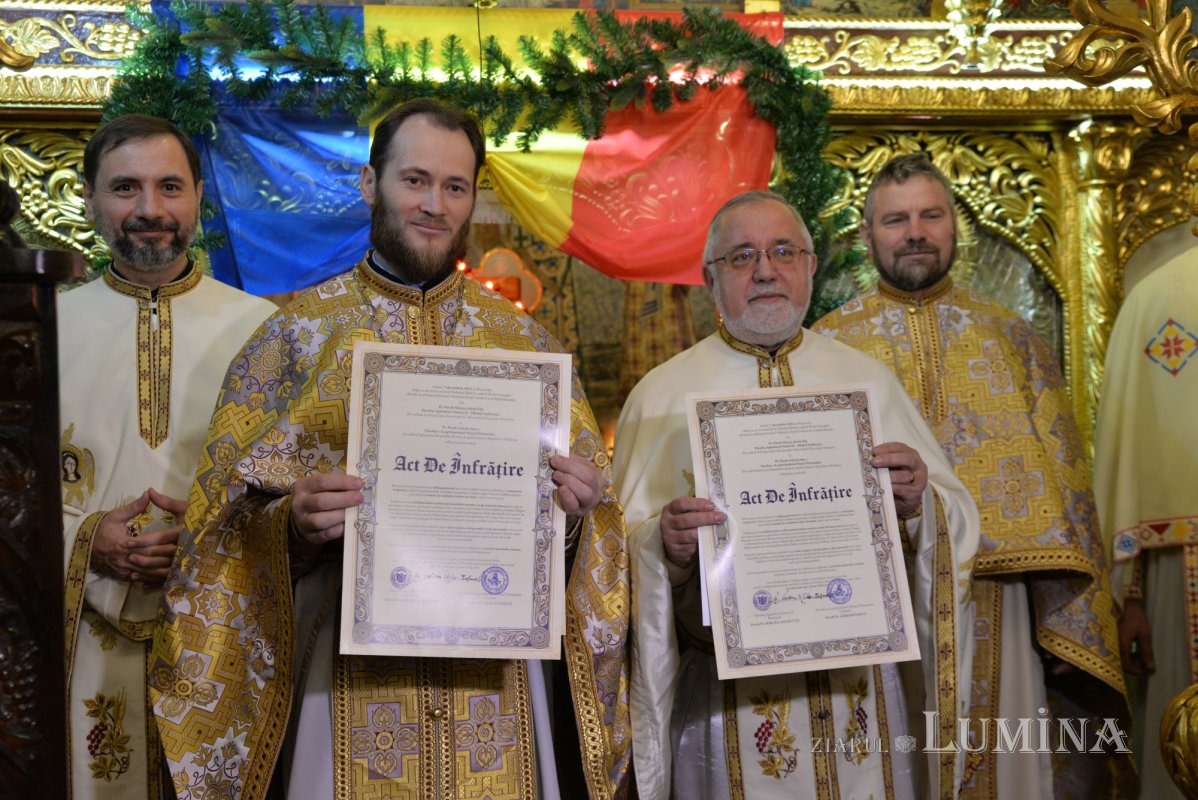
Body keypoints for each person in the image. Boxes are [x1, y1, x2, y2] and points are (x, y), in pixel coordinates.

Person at [150, 98, 632, 800]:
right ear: (371, 183)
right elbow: (214, 540)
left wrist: (580, 516)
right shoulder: (296, 339)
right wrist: (291, 526)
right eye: (414, 180)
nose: (434, 204)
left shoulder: (528, 348)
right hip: (344, 689)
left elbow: (596, 538)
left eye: (455, 186)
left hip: (496, 693)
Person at [614, 189, 980, 800]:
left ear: (811, 266)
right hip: (726, 707)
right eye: (741, 256)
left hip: (858, 694)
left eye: (784, 251)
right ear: (711, 279)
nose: (765, 269)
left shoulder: (866, 380)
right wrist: (664, 548)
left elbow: (956, 519)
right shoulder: (659, 397)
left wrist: (919, 505)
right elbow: (614, 563)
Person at [814, 153, 1134, 797]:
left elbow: (1068, 491)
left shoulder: (1012, 338)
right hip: (872, 594)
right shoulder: (828, 345)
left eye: (931, 215)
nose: (915, 232)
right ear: (867, 234)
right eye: (896, 219)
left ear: (955, 227)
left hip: (997, 597)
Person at [60, 114, 276, 800]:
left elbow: (292, 489)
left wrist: (210, 535)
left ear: (199, 197)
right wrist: (89, 541)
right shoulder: (39, 330)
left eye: (169, 187)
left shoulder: (264, 330)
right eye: (125, 188)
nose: (150, 210)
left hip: (221, 640)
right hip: (78, 646)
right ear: (89, 199)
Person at [1094, 254, 1198, 799]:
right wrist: (1131, 599)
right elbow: (1127, 452)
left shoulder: (1152, 296)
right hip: (1175, 573)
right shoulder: (1155, 300)